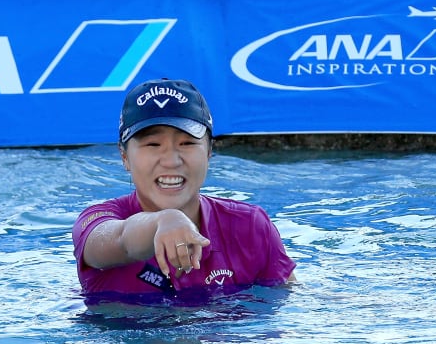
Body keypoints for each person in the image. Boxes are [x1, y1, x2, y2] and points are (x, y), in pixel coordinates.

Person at [72, 78, 295, 299]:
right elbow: (121, 240)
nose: (171, 161)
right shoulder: (95, 223)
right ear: (124, 157)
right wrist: (164, 220)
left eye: (187, 143)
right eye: (153, 144)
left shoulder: (250, 228)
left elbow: (291, 301)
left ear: (209, 151)